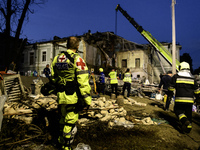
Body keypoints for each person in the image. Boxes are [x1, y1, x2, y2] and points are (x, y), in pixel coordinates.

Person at [50, 36, 92, 150]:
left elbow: (53, 77)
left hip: (61, 96)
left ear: (67, 45)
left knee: (63, 119)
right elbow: (83, 82)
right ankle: (66, 146)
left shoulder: (57, 58)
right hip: (72, 97)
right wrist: (87, 100)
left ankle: (60, 141)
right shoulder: (77, 59)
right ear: (77, 46)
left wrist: (61, 83)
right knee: (70, 122)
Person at [168, 62, 200, 133]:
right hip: (190, 101)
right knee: (189, 114)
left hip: (179, 100)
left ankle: (184, 121)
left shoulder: (176, 77)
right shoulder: (193, 78)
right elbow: (197, 90)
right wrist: (198, 99)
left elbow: (171, 88)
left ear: (180, 68)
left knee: (177, 111)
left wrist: (169, 95)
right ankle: (188, 129)